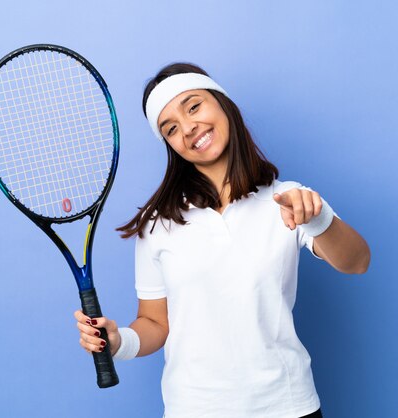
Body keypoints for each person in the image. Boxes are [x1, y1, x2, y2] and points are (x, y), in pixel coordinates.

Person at [74, 63, 370, 418]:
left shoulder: (288, 198)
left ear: (222, 103)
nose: (188, 128)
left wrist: (319, 219)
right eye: (170, 129)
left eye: (193, 106)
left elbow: (357, 262)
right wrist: (119, 341)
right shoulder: (160, 224)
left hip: (288, 407)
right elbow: (155, 323)